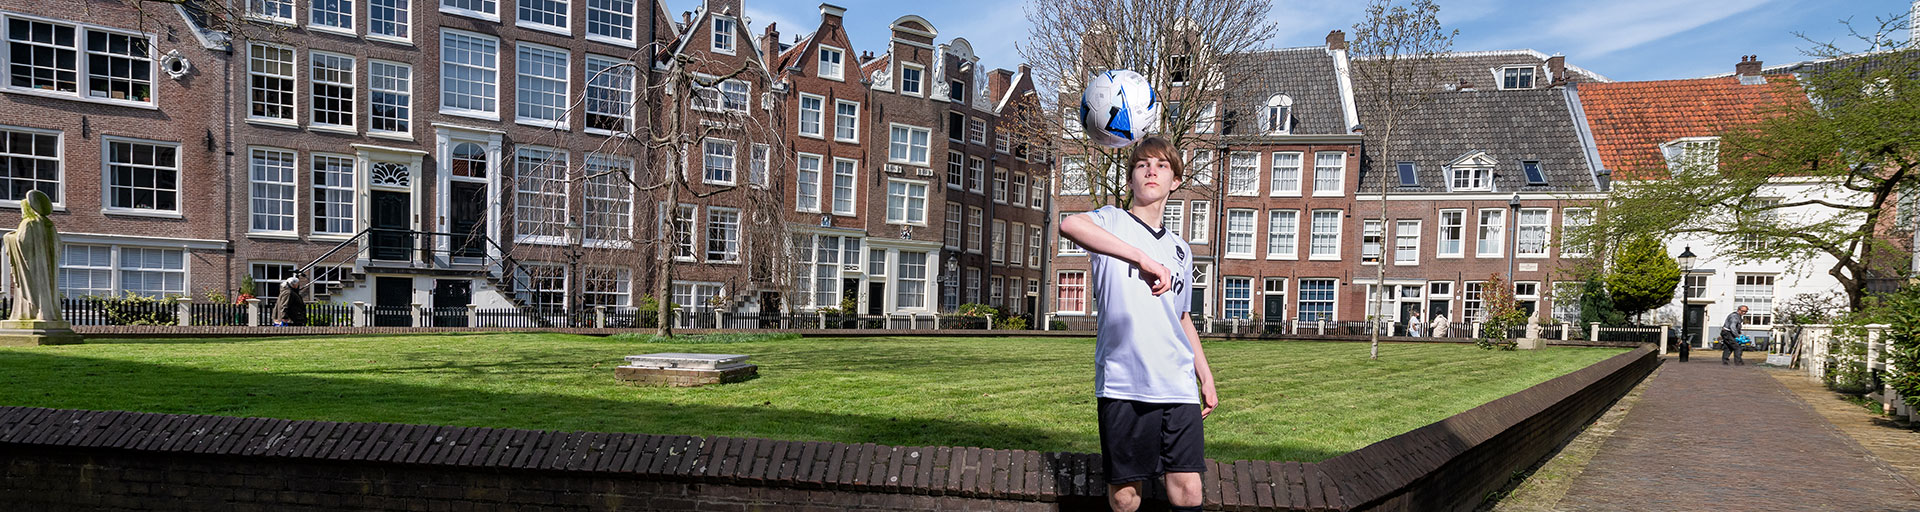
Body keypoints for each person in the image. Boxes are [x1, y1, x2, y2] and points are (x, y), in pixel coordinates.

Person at [1058, 137, 1217, 512]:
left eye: (1162, 165)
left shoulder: (1181, 249)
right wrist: (1140, 258)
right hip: (1124, 381)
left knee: (1189, 490)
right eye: (1142, 164)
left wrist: (1205, 376)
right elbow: (1069, 224)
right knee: (1125, 496)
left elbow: (1181, 317)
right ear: (1130, 179)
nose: (1151, 171)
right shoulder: (1111, 221)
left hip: (1177, 384)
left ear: (1175, 181)